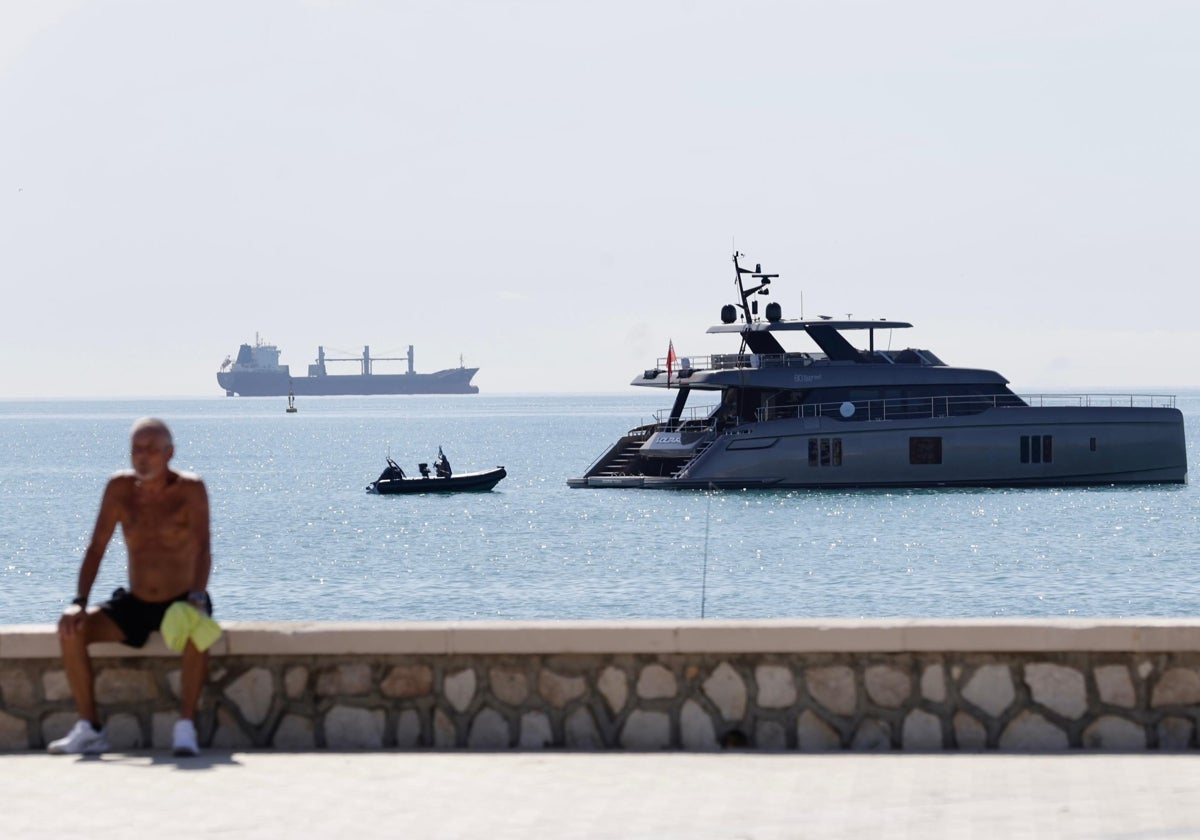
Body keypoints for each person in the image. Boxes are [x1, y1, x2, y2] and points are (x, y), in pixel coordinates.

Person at [48, 417, 214, 757]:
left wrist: (197, 596)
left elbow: (203, 547)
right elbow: (96, 547)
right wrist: (79, 602)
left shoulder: (190, 489)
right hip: (136, 602)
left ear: (170, 453)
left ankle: (185, 726)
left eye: (152, 450)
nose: (142, 457)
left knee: (199, 631)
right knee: (71, 630)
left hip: (184, 599)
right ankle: (90, 728)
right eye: (136, 449)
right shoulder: (119, 489)